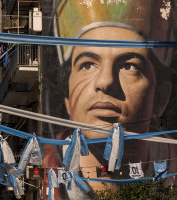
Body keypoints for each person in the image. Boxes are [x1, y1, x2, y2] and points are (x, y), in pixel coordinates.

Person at [41, 0, 177, 199]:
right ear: (68, 99)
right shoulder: (50, 172)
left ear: (160, 99)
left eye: (130, 66)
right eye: (87, 64)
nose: (105, 81)